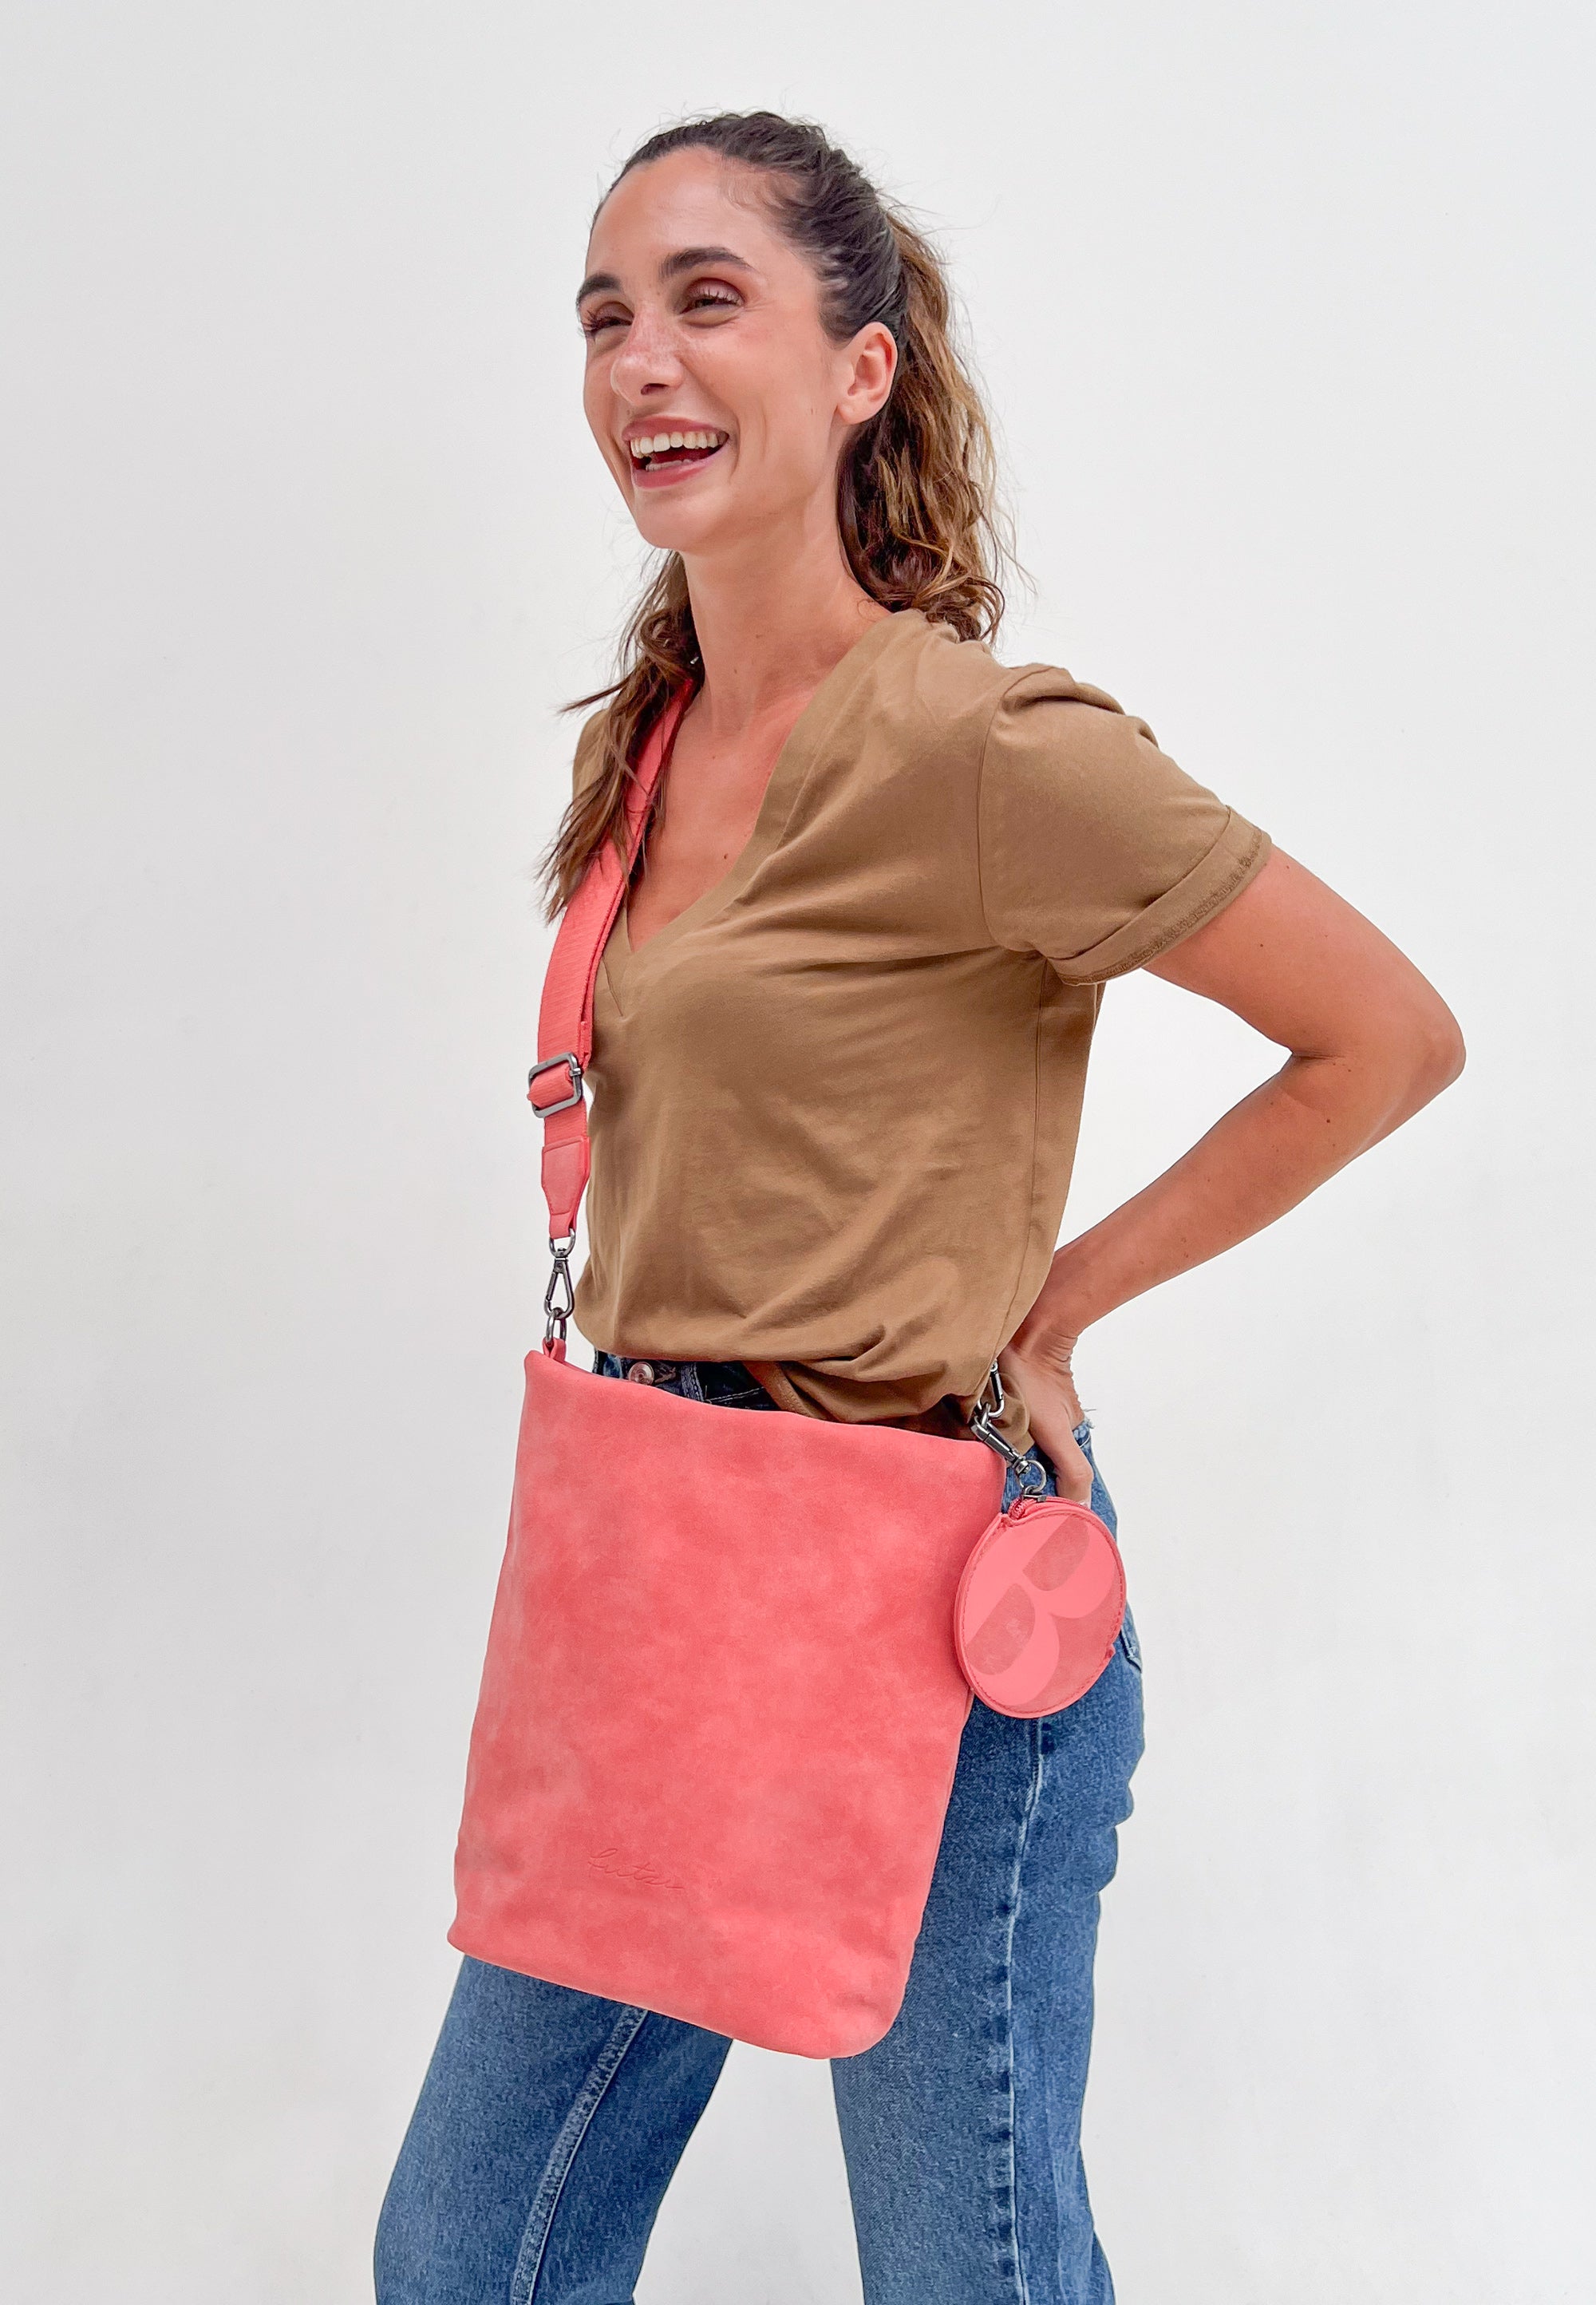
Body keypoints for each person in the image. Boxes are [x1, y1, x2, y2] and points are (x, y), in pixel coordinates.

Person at [374, 109, 1463, 2305]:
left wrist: (1059, 1307)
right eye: (605, 315)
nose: (642, 362)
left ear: (861, 366)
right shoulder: (647, 746)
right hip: (667, 1575)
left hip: (930, 1607)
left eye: (709, 300)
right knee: (468, 2254)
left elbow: (1385, 1035)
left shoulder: (986, 749)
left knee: (972, 2272)